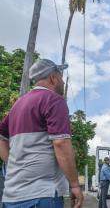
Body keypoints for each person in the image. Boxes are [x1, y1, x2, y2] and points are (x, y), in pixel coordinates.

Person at [0, 59, 83, 208]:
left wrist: (13, 164)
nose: (63, 83)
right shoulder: (54, 100)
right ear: (53, 78)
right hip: (42, 196)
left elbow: (1, 138)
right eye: (61, 78)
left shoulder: (17, 105)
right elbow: (61, 143)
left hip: (11, 197)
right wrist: (75, 185)